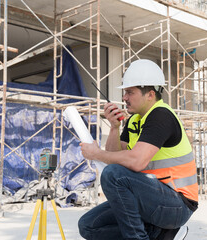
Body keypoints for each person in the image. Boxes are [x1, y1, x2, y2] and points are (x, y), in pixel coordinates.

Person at [78, 59, 198, 240]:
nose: (124, 97)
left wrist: (96, 154)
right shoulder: (135, 120)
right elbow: (116, 156)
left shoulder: (161, 116)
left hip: (176, 205)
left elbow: (136, 162)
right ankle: (162, 234)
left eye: (129, 92)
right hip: (151, 198)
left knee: (113, 174)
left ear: (150, 94)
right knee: (88, 226)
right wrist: (113, 128)